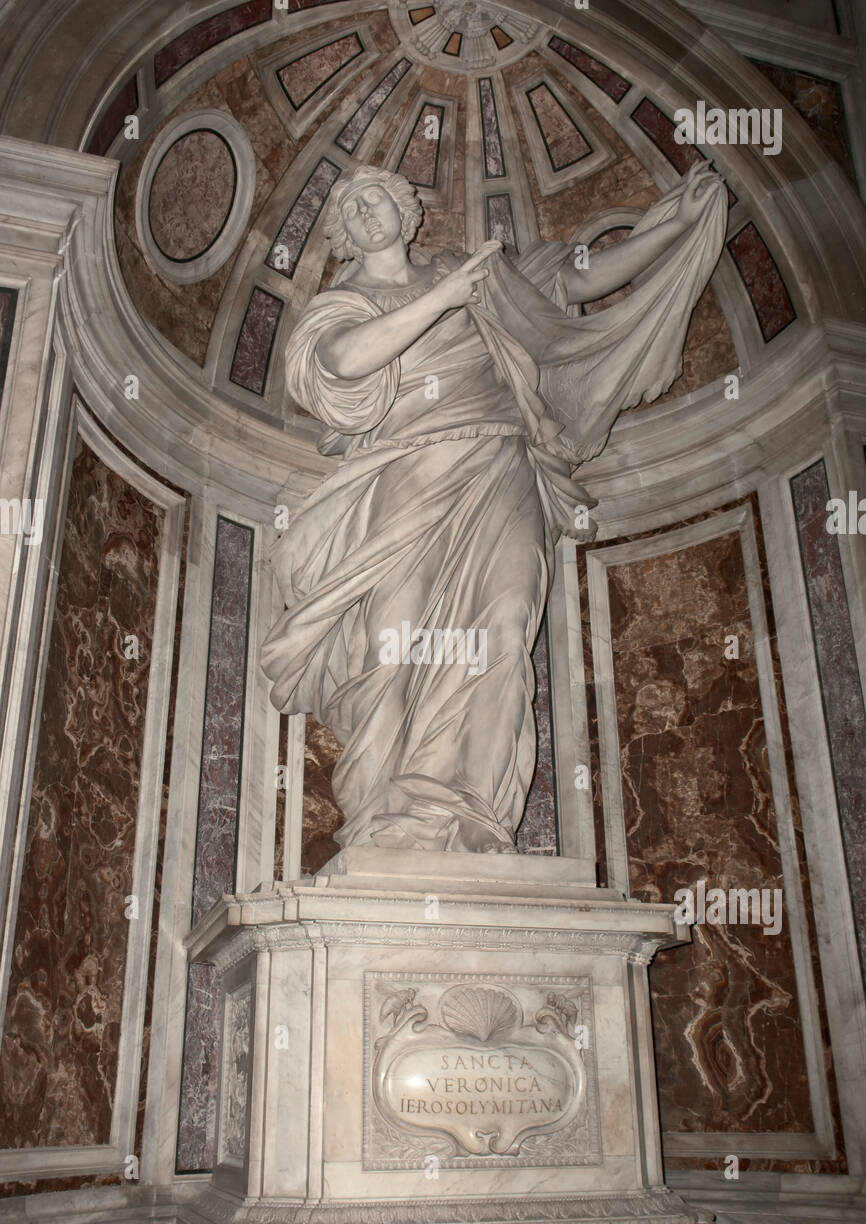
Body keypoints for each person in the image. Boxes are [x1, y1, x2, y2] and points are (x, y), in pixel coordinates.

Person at [261, 161, 726, 854]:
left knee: (506, 628)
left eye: (377, 196)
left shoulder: (474, 272)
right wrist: (443, 298)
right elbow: (341, 361)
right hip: (410, 475)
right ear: (345, 237)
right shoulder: (346, 300)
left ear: (405, 207)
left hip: (501, 464)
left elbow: (576, 278)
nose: (366, 212)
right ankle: (379, 814)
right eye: (351, 208)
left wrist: (678, 224)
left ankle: (474, 811)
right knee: (397, 639)